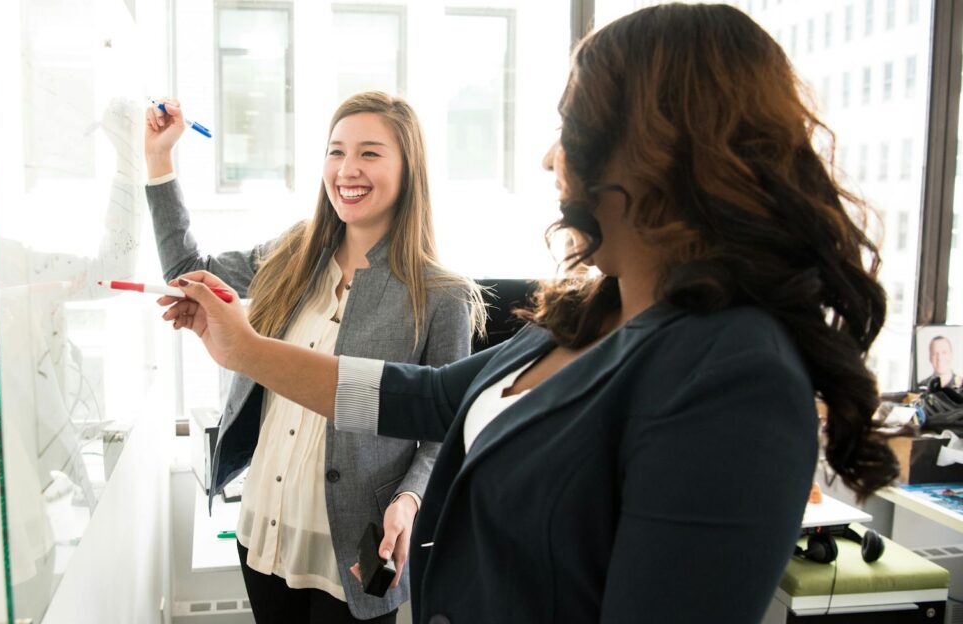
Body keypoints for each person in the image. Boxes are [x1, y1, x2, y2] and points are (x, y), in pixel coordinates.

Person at [157, 5, 899, 623]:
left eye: (569, 124)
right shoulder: (584, 314)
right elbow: (431, 397)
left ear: (653, 148)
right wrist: (244, 349)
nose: (549, 158)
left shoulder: (734, 373)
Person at [144, 91, 483, 623]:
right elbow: (188, 269)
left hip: (354, 546)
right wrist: (160, 159)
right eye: (336, 151)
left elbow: (447, 428)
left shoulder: (440, 295)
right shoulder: (294, 253)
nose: (348, 169)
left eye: (370, 153)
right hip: (264, 526)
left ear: (408, 168)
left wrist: (411, 499)